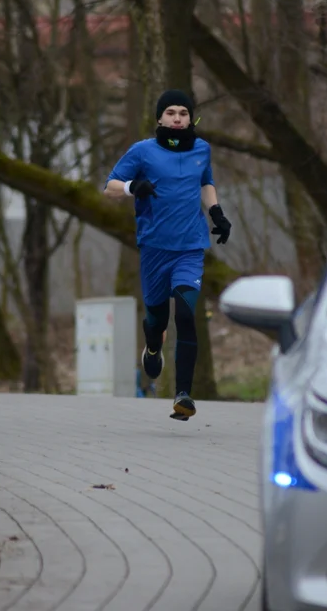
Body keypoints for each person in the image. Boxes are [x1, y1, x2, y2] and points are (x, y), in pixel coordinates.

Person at [104, 89, 233, 421]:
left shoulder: (201, 150)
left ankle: (183, 395)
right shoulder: (142, 152)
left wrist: (217, 213)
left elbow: (206, 183)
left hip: (190, 247)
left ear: (192, 118)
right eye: (171, 112)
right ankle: (152, 346)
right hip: (154, 249)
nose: (178, 118)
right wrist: (135, 187)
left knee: (187, 315)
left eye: (184, 113)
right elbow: (110, 187)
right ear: (160, 118)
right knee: (157, 319)